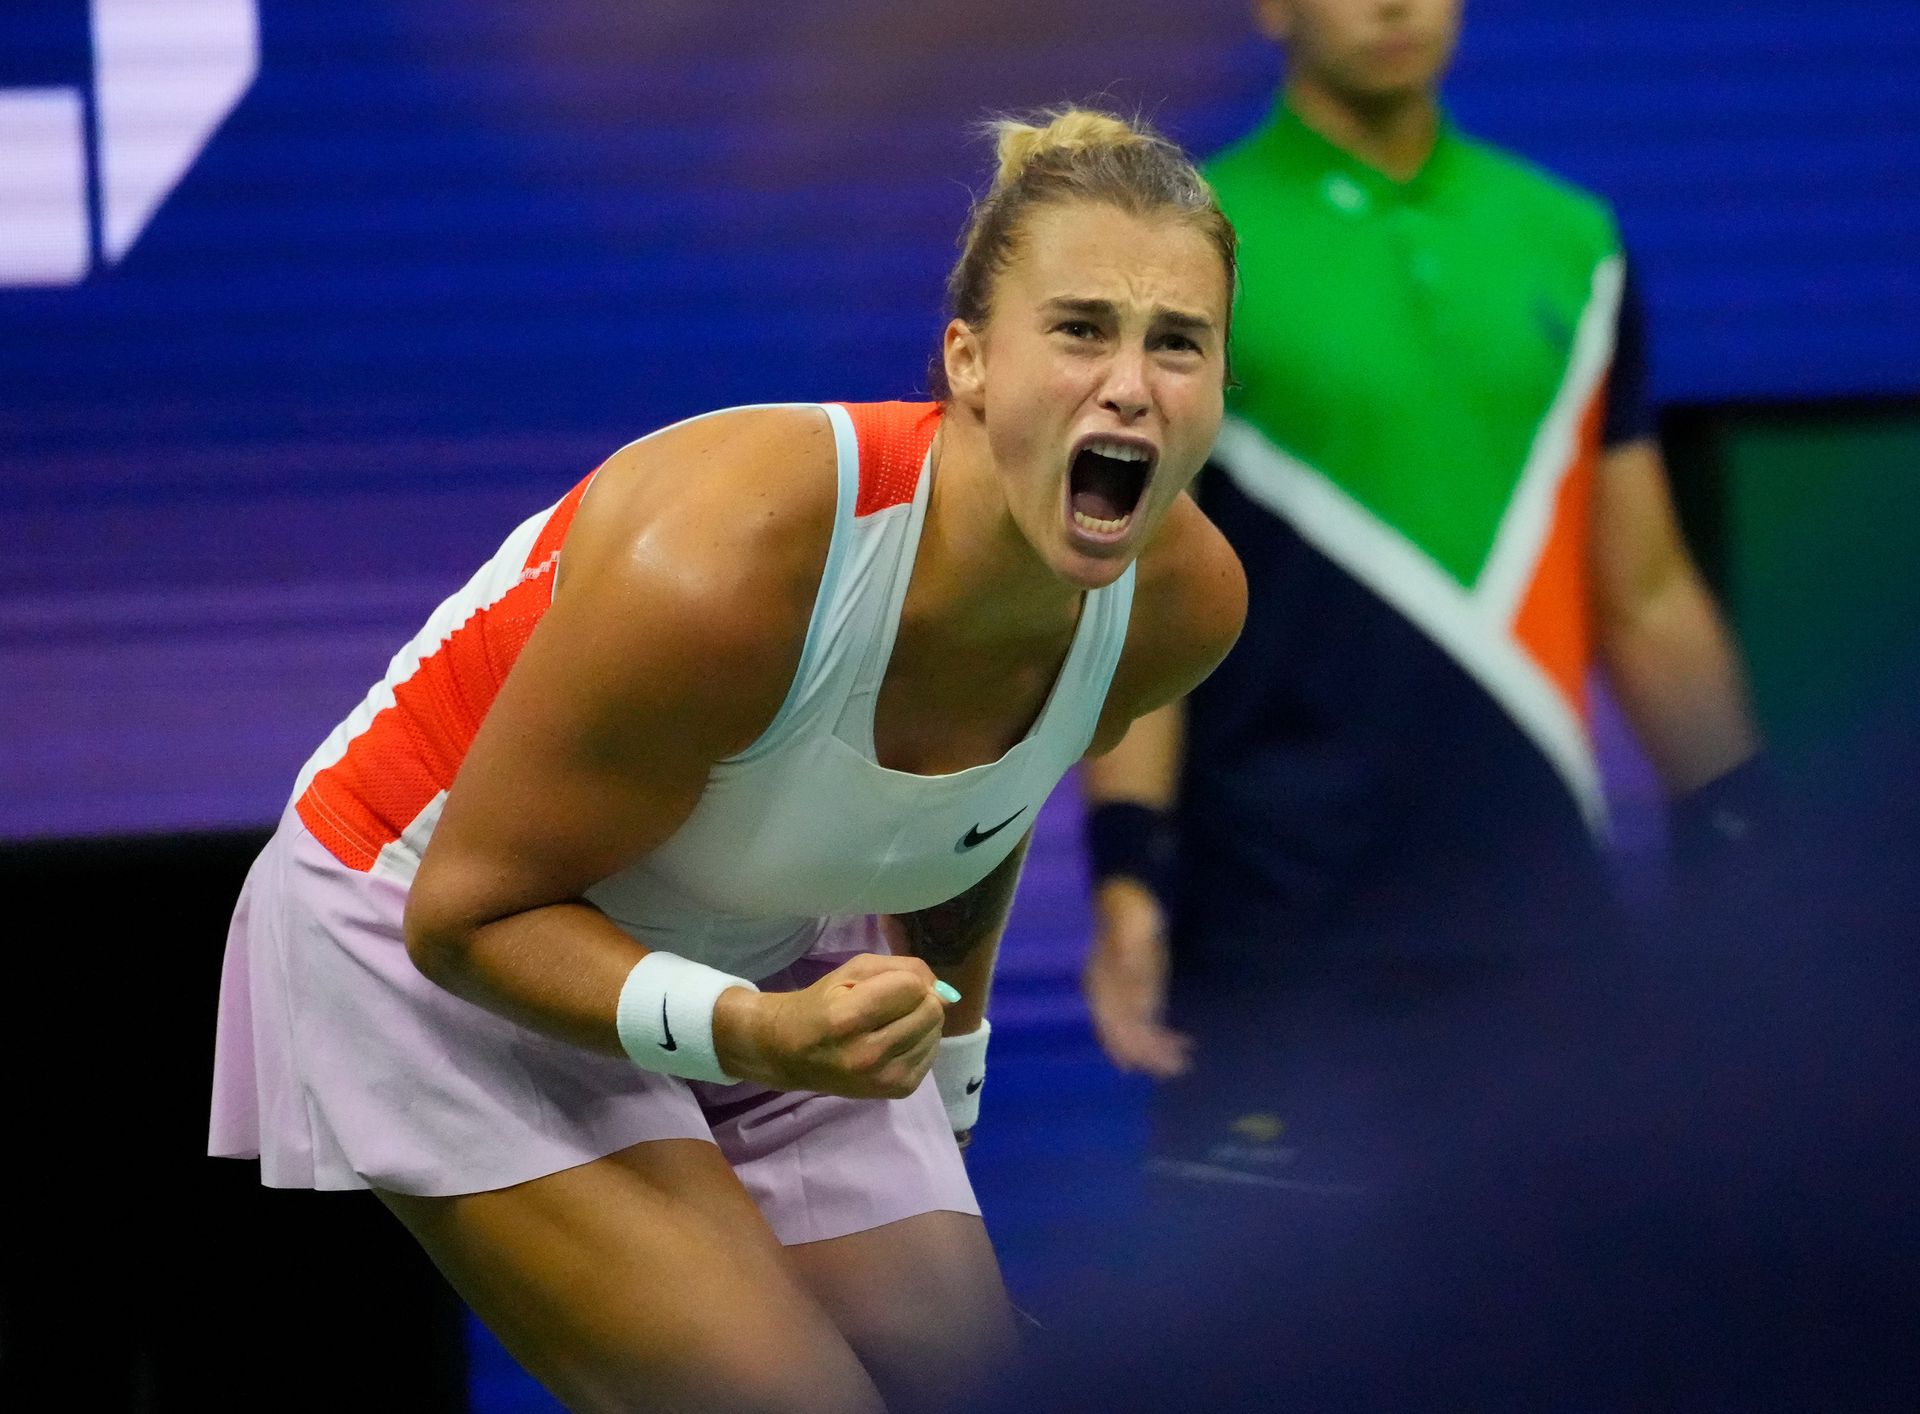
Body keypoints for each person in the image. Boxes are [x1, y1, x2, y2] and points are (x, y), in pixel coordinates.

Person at [208, 107, 1244, 1414]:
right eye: (1081, 329)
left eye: (1177, 342)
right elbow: (466, 917)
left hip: (756, 926)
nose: (1131, 385)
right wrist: (755, 1033)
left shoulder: (1181, 601)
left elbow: (978, 811)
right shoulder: (731, 558)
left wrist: (945, 1068)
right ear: (968, 360)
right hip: (435, 929)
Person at [1081, 0, 1765, 1198]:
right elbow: (1139, 593)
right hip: (1278, 933)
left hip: (1547, 923)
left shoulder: (1575, 241)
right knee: (1280, 1313)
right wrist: (1128, 872)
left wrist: (1743, 832)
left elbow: (1648, 590)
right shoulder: (1185, 252)